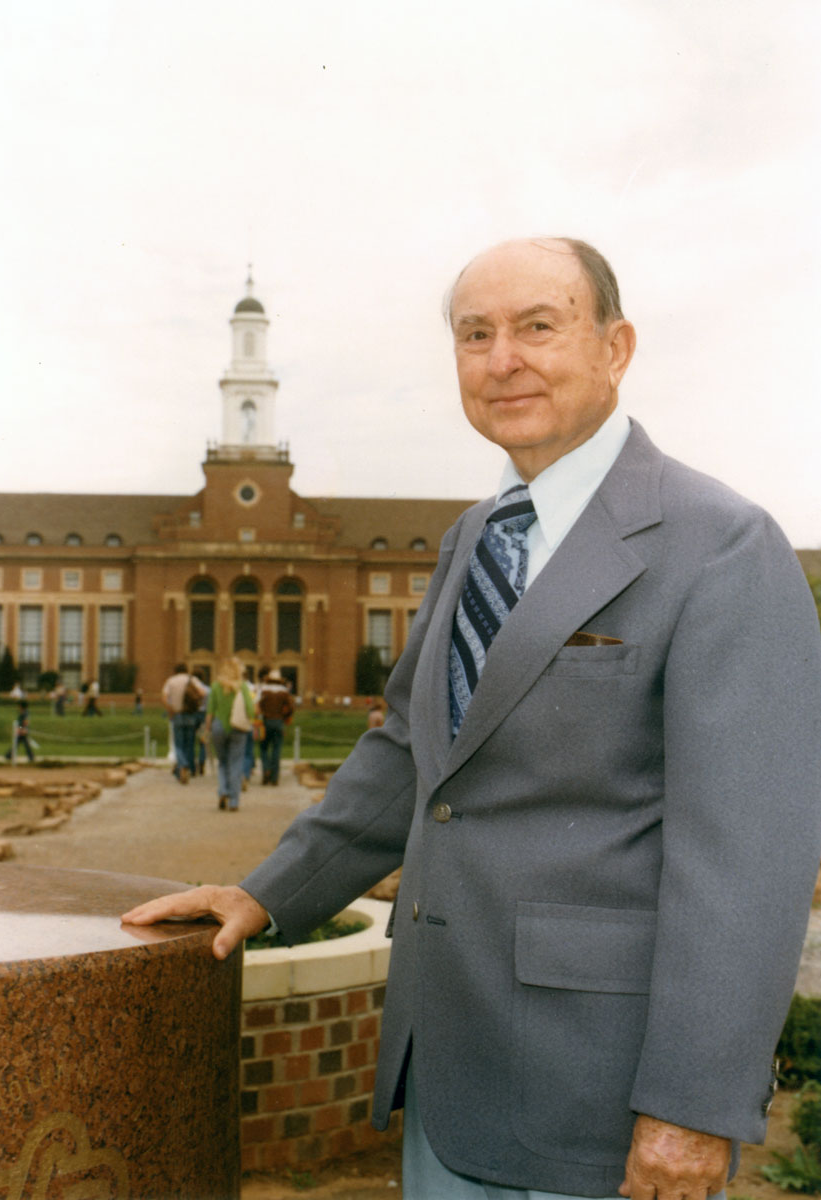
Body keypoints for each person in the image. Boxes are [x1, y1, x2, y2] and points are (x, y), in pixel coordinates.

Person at [123, 238, 821, 1200]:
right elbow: (415, 749)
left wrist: (695, 1105)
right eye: (474, 334)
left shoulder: (720, 546)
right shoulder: (474, 535)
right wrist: (266, 894)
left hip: (601, 1096)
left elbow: (749, 861)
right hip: (447, 1071)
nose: (503, 360)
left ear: (615, 347)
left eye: (539, 326)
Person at [203, 656, 255, 811]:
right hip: (238, 727)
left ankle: (223, 791)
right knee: (236, 763)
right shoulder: (243, 686)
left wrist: (207, 729)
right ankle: (234, 800)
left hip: (218, 727)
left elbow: (210, 712)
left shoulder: (215, 687)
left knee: (222, 762)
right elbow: (250, 709)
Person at [161, 663, 203, 784]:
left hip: (177, 714)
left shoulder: (171, 681)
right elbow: (202, 693)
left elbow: (164, 696)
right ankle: (188, 767)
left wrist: (170, 709)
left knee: (178, 744)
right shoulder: (192, 679)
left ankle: (182, 765)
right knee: (189, 743)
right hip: (190, 713)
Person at [256, 667, 294, 785]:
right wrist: (284, 716)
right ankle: (274, 777)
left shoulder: (263, 690)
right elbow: (291, 708)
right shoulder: (284, 691)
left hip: (266, 721)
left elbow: (257, 706)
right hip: (278, 722)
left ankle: (266, 769)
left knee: (263, 748)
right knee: (276, 749)